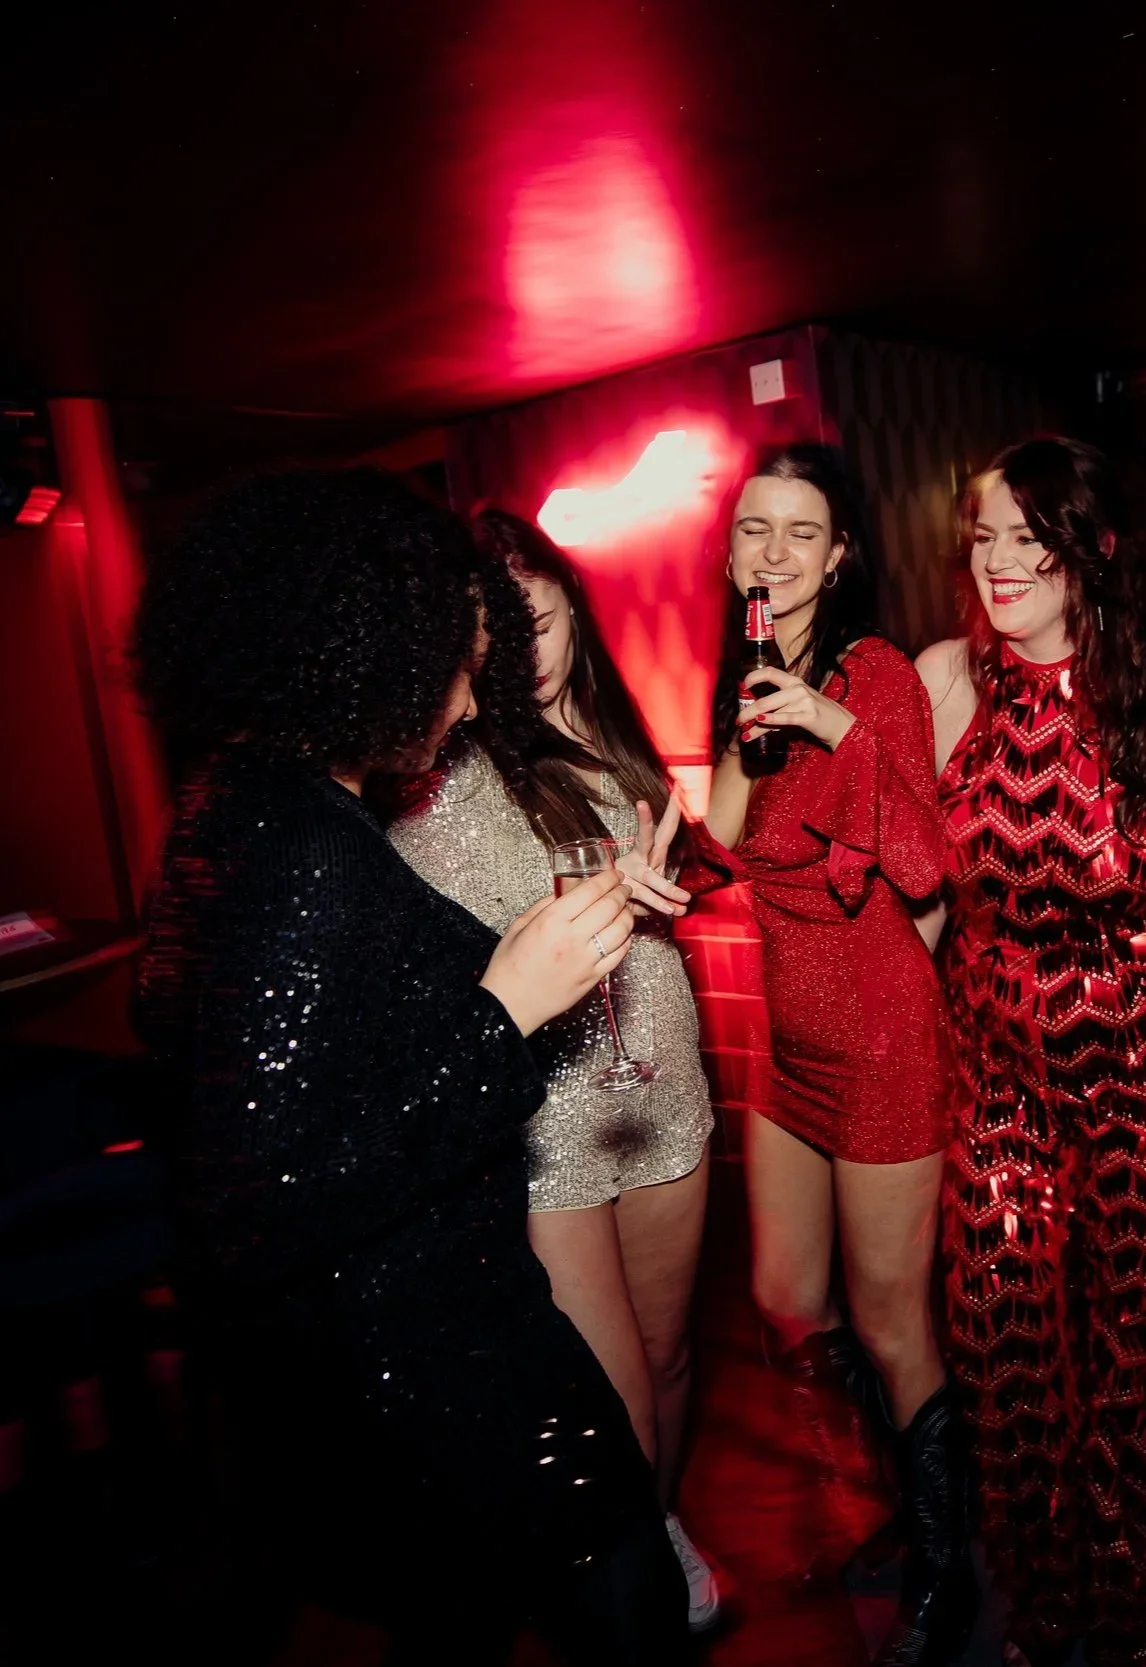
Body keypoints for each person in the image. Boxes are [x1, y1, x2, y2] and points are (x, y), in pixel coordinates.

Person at [133, 470, 690, 1666]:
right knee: (621, 1590)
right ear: (372, 653)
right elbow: (258, 1202)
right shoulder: (298, 848)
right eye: (452, 656)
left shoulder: (238, 804)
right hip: (433, 1356)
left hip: (392, 1352)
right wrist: (504, 1008)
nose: (466, 689)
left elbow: (322, 1058)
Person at [916, 437, 1146, 1667]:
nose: (1002, 560)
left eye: (1030, 535)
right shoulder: (942, 679)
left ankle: (1136, 1616)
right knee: (1001, 1334)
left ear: (1090, 549)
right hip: (996, 1061)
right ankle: (1045, 1598)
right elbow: (903, 866)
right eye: (984, 536)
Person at [388, 508, 718, 1631]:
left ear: (572, 597)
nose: (522, 622)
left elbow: (680, 890)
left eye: (536, 595)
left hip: (663, 1069)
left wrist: (665, 871)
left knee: (672, 1355)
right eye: (493, 610)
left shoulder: (618, 736)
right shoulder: (446, 760)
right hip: (550, 1102)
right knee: (606, 1393)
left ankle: (658, 1536)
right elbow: (423, 946)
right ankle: (628, 1589)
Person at [701, 443, 976, 1667]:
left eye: (799, 531)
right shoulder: (751, 672)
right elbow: (722, 834)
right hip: (787, 1032)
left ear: (840, 552)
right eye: (753, 529)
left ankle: (941, 1561)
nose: (772, 550)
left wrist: (828, 718)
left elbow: (924, 861)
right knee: (783, 1298)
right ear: (730, 552)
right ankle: (880, 1497)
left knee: (891, 1321)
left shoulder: (874, 674)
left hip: (875, 1031)